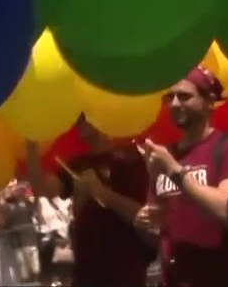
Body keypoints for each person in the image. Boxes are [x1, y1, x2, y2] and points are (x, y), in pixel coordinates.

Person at [135, 66, 228, 287]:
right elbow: (158, 231)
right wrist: (143, 223)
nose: (175, 104)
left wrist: (175, 171)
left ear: (209, 102)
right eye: (170, 97)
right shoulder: (167, 156)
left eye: (184, 96)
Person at [27, 113, 153, 287]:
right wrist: (31, 143)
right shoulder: (78, 163)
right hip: (86, 271)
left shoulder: (132, 159)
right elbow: (42, 189)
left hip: (125, 269)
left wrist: (103, 194)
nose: (79, 126)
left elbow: (144, 215)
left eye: (83, 119)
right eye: (78, 121)